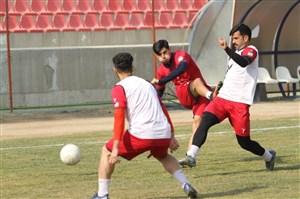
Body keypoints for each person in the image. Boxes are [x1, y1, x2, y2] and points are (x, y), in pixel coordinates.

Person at [91, 52, 198, 199]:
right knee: (163, 156)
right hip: (163, 132)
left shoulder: (119, 88)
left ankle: (102, 195)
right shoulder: (147, 84)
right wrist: (171, 135)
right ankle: (186, 184)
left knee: (106, 151)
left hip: (141, 134)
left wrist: (115, 149)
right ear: (133, 68)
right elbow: (163, 110)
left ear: (115, 70)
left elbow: (119, 118)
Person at [178, 24, 276, 171]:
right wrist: (219, 89)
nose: (233, 41)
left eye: (236, 38)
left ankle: (268, 156)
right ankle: (191, 156)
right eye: (232, 39)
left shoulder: (251, 50)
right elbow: (232, 76)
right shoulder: (232, 57)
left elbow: (243, 63)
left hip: (240, 103)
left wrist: (226, 49)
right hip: (223, 99)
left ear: (246, 38)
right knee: (204, 121)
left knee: (244, 142)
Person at [151, 39, 222, 152]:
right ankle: (212, 96)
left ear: (169, 50)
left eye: (165, 52)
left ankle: (190, 155)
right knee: (197, 81)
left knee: (197, 123)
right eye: (159, 55)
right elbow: (159, 92)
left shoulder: (181, 55)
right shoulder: (161, 71)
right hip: (185, 94)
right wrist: (153, 106)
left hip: (201, 95)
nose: (163, 56)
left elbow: (181, 68)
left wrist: (161, 81)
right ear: (156, 56)